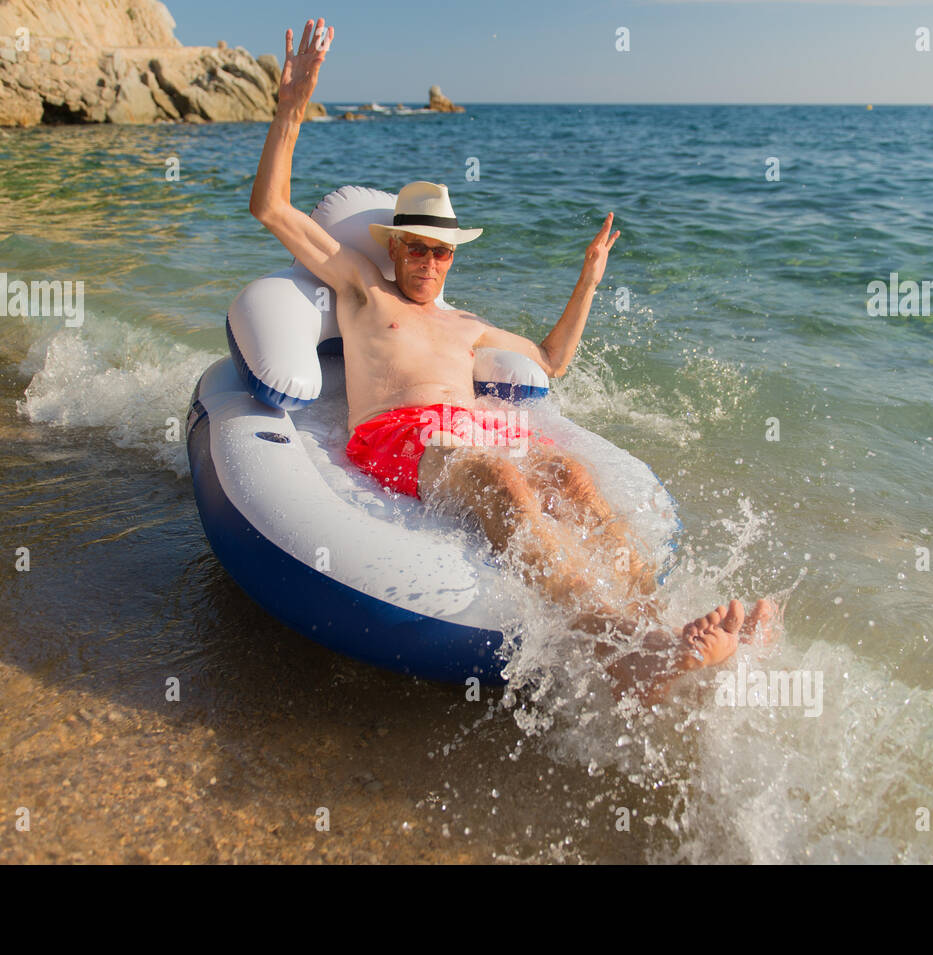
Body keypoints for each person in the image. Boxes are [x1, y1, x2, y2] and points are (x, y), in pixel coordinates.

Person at [248, 19, 774, 702]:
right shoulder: (361, 288)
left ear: (453, 256)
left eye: (442, 251)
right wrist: (290, 107)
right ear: (394, 247)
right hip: (400, 434)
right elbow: (270, 205)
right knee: (504, 478)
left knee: (570, 474)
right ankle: (619, 653)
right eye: (417, 248)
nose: (430, 262)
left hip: (471, 430)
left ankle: (657, 627)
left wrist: (588, 279)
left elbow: (552, 360)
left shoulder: (467, 324)